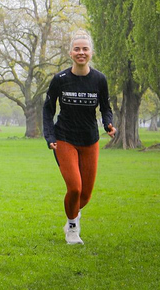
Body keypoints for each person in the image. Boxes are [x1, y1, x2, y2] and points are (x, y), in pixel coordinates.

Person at [42, 29, 115, 245]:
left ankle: (73, 215)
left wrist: (108, 124)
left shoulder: (99, 79)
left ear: (91, 52)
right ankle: (72, 228)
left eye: (85, 49)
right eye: (77, 49)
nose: (81, 52)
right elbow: (48, 109)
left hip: (90, 140)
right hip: (64, 138)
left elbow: (106, 107)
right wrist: (50, 135)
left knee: (85, 195)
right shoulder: (60, 79)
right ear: (70, 53)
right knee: (74, 187)